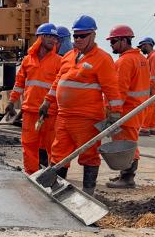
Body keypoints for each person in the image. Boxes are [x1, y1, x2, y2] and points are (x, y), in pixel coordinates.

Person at [41, 15, 123, 194]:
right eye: (75, 36)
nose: (78, 39)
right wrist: (47, 101)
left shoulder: (102, 59)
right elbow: (58, 81)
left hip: (87, 118)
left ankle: (88, 193)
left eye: (82, 36)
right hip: (64, 116)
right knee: (58, 153)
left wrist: (115, 112)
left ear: (93, 35)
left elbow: (111, 89)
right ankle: (57, 190)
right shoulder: (69, 56)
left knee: (89, 155)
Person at [8, 23, 62, 174]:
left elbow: (59, 86)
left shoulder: (59, 61)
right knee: (29, 144)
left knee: (52, 146)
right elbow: (19, 83)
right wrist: (12, 101)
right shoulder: (27, 60)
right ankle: (31, 173)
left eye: (55, 37)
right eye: (49, 36)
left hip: (50, 111)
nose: (53, 40)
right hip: (30, 111)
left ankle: (53, 176)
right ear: (40, 38)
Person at [105, 25, 150, 188]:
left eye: (114, 41)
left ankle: (127, 177)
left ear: (124, 41)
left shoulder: (125, 61)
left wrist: (112, 112)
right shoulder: (141, 59)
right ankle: (124, 175)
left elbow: (119, 90)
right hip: (138, 109)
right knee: (129, 142)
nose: (112, 45)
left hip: (126, 111)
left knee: (126, 144)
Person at [137, 37, 155, 136]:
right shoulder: (152, 56)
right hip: (154, 86)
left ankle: (144, 128)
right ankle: (153, 128)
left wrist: (149, 88)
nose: (141, 49)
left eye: (142, 46)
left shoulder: (154, 57)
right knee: (151, 108)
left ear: (147, 45)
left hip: (153, 87)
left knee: (148, 108)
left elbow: (153, 75)